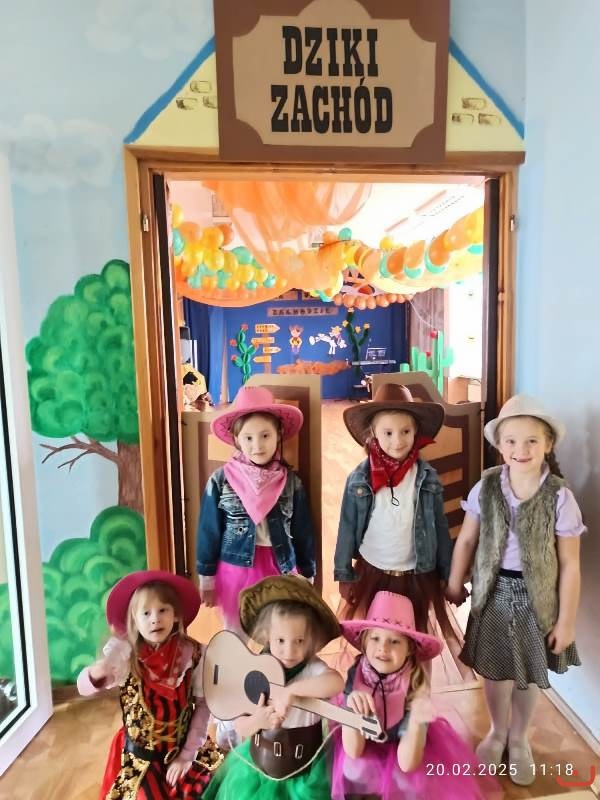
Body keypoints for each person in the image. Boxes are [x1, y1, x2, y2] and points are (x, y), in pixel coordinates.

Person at [446, 394, 584, 786]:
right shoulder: (487, 486)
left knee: (527, 673)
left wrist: (566, 621)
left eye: (531, 441)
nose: (521, 450)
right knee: (496, 673)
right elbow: (467, 540)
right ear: (499, 445)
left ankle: (519, 737)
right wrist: (455, 582)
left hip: (537, 600)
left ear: (548, 444)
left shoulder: (559, 496)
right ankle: (497, 731)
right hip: (492, 594)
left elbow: (571, 563)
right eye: (511, 441)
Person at [332, 591, 499, 800]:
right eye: (375, 638)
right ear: (364, 642)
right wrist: (352, 709)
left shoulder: (415, 684)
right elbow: (353, 749)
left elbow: (407, 763)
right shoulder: (356, 675)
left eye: (395, 642)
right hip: (365, 744)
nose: (383, 648)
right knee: (354, 768)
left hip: (403, 746)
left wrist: (416, 722)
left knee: (408, 780)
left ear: (409, 649)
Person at [77, 569, 222, 798]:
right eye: (146, 613)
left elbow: (204, 706)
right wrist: (97, 673)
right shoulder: (124, 654)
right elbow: (84, 688)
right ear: (134, 620)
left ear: (176, 615)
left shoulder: (193, 654)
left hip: (185, 750)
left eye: (163, 610)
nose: (155, 619)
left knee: (214, 788)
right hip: (142, 759)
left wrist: (187, 755)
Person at [202, 575, 344, 800]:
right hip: (260, 769)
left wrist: (292, 691)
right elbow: (241, 727)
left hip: (304, 773)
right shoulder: (255, 671)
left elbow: (336, 682)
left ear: (310, 639)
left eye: (299, 641)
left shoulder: (312, 668)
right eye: (281, 641)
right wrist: (258, 722)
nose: (290, 651)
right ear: (267, 636)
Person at [334, 382, 454, 639]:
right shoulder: (359, 479)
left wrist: (447, 573)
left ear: (416, 432)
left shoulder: (427, 479)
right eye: (388, 433)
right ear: (373, 433)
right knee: (375, 636)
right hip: (372, 572)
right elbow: (347, 526)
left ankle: (414, 667)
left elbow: (440, 528)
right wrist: (344, 573)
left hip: (417, 575)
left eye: (405, 431)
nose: (397, 441)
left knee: (413, 637)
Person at [197, 386, 316, 632]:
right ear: (237, 440)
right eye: (248, 438)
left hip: (280, 567)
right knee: (235, 633)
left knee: (278, 633)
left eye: (265, 436)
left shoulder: (291, 483)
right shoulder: (220, 481)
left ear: (278, 435)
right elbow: (208, 531)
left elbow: (303, 531)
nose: (257, 445)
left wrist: (308, 572)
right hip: (236, 570)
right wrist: (206, 577)